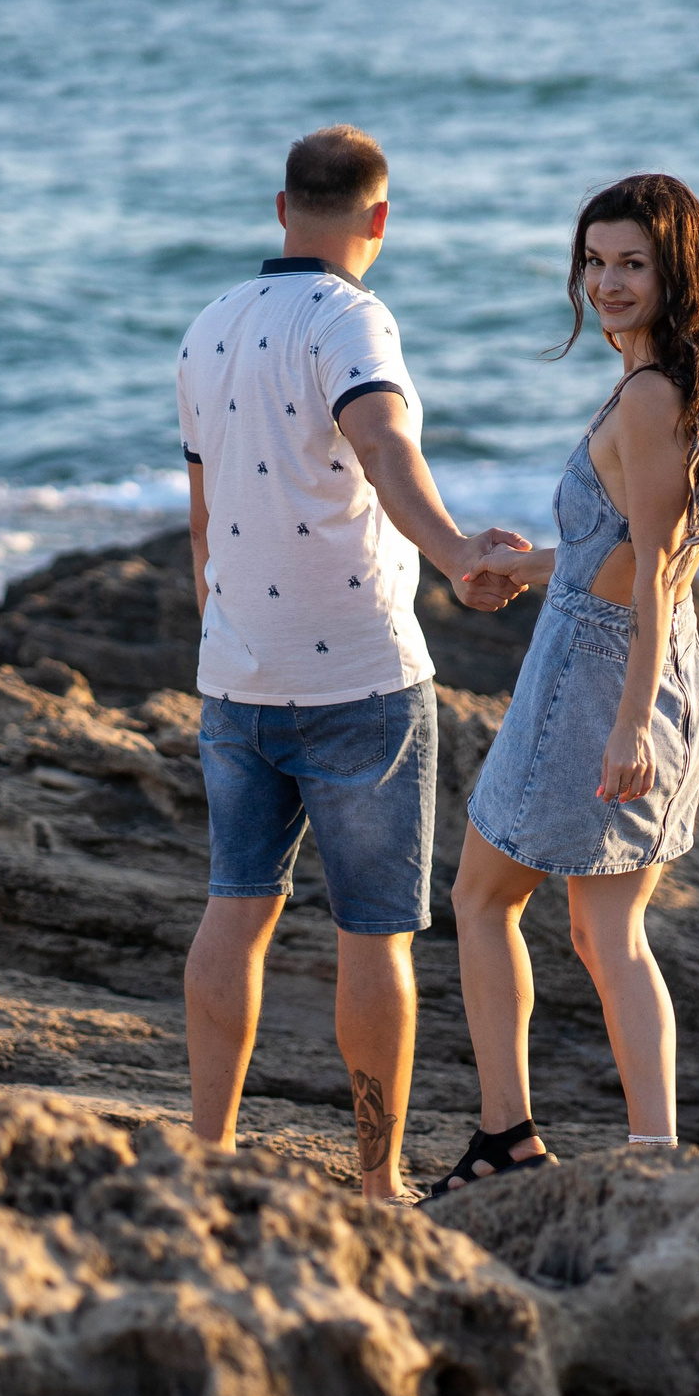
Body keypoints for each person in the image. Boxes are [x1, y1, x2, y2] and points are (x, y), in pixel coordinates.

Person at [178, 124, 527, 1203]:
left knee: (234, 911)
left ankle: (205, 1156)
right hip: (359, 682)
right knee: (374, 937)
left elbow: (202, 519)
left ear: (283, 209)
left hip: (236, 674)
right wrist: (457, 552)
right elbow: (382, 443)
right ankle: (377, 1185)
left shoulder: (207, 326)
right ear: (379, 219)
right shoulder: (351, 318)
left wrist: (226, 635)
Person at [433, 173, 699, 1194]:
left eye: (633, 263)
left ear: (677, 272)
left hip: (596, 680)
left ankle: (507, 1139)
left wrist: (627, 727)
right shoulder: (680, 384)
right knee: (603, 931)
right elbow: (619, 552)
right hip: (640, 663)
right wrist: (524, 567)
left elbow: (658, 568)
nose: (608, 282)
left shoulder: (652, 393)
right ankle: (652, 1158)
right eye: (594, 261)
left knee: (481, 901)